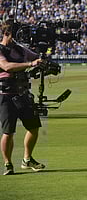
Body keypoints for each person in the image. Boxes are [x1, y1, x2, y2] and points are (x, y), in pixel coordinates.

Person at [0, 19, 45, 175]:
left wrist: (44, 60)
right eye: (16, 33)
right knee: (8, 132)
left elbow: (37, 57)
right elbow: (6, 66)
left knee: (33, 127)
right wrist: (30, 64)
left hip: (23, 93)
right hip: (5, 95)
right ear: (6, 33)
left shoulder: (20, 49)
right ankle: (8, 163)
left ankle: (27, 159)